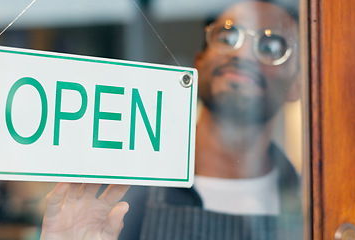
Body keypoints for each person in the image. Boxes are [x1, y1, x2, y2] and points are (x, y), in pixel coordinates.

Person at [40, 0, 302, 239]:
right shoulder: (122, 194)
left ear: (298, 85)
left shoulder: (312, 203)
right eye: (228, 36)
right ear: (199, 64)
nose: (242, 54)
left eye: (271, 46)